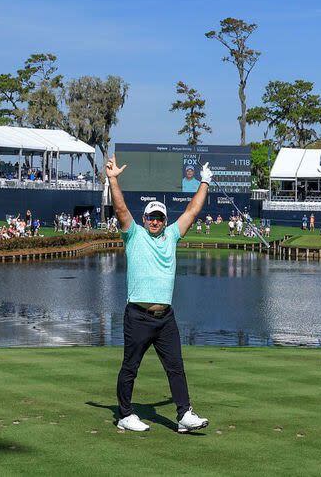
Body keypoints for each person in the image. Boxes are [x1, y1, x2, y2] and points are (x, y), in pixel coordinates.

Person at [106, 153, 210, 434]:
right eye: (151, 217)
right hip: (138, 315)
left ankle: (184, 415)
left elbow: (191, 211)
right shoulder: (134, 234)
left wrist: (204, 182)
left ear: (165, 220)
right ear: (145, 218)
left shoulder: (173, 235)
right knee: (131, 366)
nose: (155, 221)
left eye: (159, 218)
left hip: (165, 317)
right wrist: (113, 179)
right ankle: (125, 414)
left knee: (175, 367)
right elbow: (121, 210)